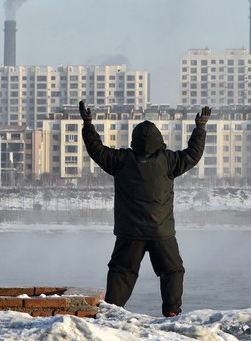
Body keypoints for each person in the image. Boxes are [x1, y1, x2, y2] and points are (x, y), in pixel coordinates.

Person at [79, 100, 211, 317]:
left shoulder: (121, 160)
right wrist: (200, 128)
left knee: (122, 272)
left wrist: (88, 124)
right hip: (161, 232)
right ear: (159, 140)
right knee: (172, 271)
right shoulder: (169, 161)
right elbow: (193, 155)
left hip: (129, 232)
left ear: (134, 140)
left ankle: (111, 313)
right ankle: (171, 313)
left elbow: (97, 150)